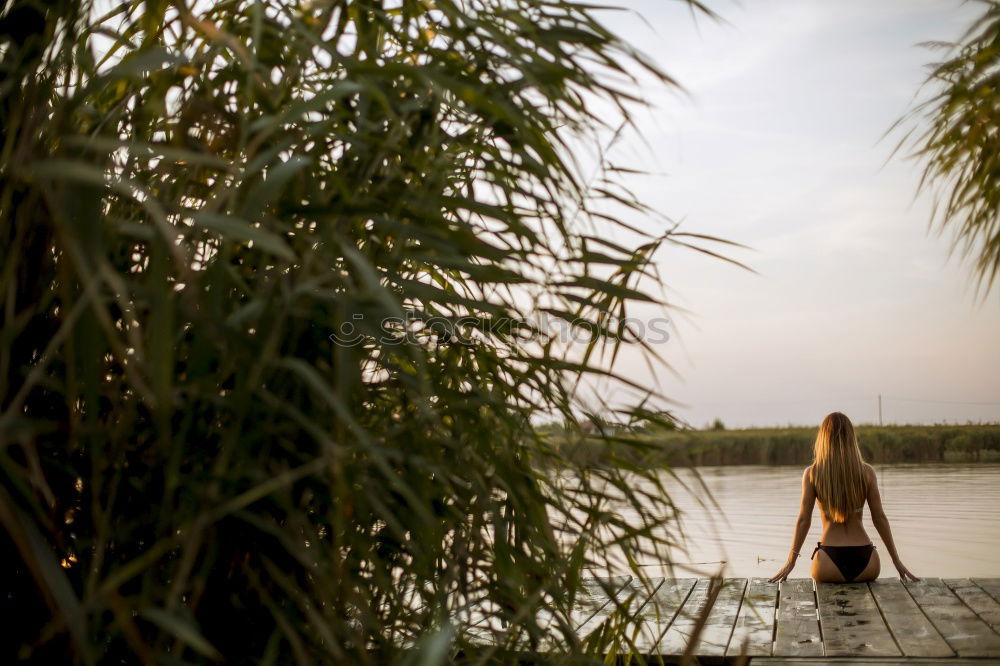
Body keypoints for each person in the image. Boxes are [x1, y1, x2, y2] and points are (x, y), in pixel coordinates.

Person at [769, 412, 919, 583]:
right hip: (867, 561)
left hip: (828, 561)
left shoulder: (813, 473)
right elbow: (879, 518)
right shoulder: (867, 472)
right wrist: (896, 560)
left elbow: (804, 520)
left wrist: (790, 561)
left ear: (823, 439)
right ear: (851, 439)